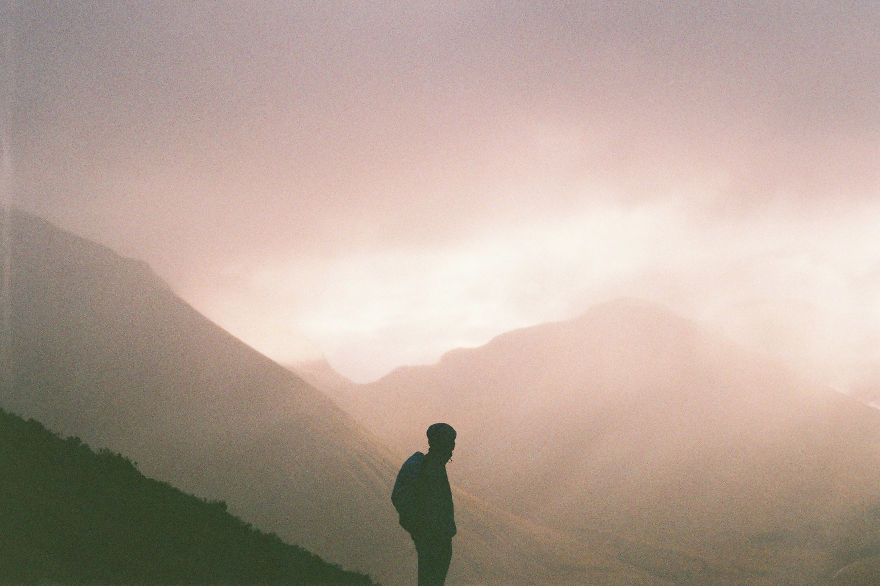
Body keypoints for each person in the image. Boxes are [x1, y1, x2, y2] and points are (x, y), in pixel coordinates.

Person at [392, 423, 457, 585]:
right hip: (434, 541)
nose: (451, 450)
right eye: (449, 445)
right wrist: (424, 530)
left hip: (434, 539)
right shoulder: (430, 469)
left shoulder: (428, 466)